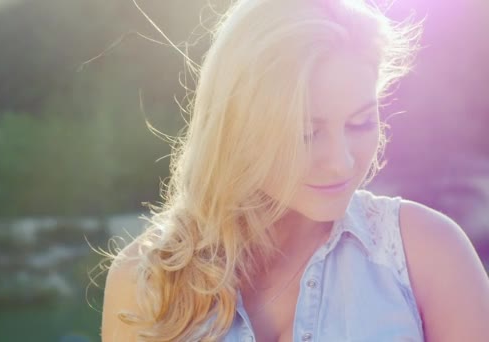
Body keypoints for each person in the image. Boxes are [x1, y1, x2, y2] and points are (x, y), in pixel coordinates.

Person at [101, 0, 489, 341]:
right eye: (305, 133)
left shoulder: (429, 255)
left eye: (360, 124)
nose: (341, 161)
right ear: (238, 127)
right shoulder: (144, 282)